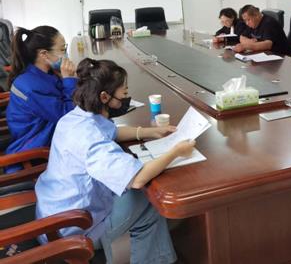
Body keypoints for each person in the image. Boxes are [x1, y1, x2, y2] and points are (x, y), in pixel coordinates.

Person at [35, 58, 195, 264]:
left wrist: (149, 132)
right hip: (73, 231)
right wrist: (176, 152)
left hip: (52, 213)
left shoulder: (77, 116)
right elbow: (137, 179)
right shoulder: (91, 139)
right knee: (149, 200)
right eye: (123, 93)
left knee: (142, 200)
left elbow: (112, 131)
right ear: (104, 96)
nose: (126, 98)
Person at [5, 26, 77, 172]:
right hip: (33, 152)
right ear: (44, 54)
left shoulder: (44, 73)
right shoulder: (32, 86)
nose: (66, 54)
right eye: (62, 49)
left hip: (45, 136)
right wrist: (69, 80)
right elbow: (68, 117)